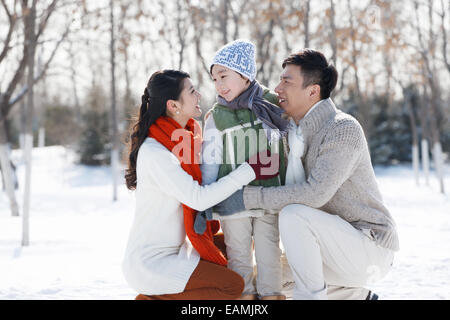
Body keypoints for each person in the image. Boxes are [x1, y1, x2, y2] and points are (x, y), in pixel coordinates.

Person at [213, 49, 400, 300]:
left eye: (287, 81)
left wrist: (248, 198)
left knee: (295, 214)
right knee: (260, 286)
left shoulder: (342, 128)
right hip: (328, 250)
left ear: (313, 91)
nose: (277, 88)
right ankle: (356, 295)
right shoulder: (290, 133)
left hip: (368, 246)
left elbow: (314, 194)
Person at [121, 69, 276, 300]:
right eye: (192, 91)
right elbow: (199, 198)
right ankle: (150, 298)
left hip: (179, 251)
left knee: (235, 246)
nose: (199, 95)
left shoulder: (186, 138)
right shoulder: (156, 152)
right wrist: (250, 169)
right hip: (151, 264)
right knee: (232, 286)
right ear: (173, 105)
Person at [199, 40, 289, 300]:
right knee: (238, 254)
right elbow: (210, 161)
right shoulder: (217, 116)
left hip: (268, 194)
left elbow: (294, 141)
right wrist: (206, 202)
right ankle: (243, 298)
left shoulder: (272, 105)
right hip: (232, 201)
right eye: (215, 79)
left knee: (269, 250)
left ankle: (271, 296)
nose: (219, 85)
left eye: (224, 76)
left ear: (245, 75)